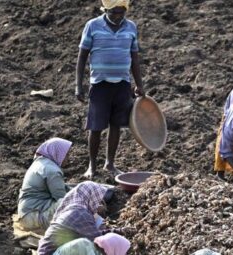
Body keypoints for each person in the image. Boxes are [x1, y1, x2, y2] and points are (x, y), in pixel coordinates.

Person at [75, 0, 145, 179]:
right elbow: (82, 57)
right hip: (100, 84)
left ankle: (110, 164)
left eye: (122, 12)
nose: (118, 16)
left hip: (122, 84)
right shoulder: (92, 26)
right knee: (96, 127)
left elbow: (134, 58)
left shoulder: (131, 27)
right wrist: (78, 86)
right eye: (114, 12)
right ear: (105, 10)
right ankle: (92, 165)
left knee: (116, 125)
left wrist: (139, 84)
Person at [38, 181, 132, 255]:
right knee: (85, 245)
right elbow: (97, 238)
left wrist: (119, 231)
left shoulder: (78, 209)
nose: (102, 206)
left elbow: (95, 233)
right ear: (91, 198)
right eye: (100, 201)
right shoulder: (80, 213)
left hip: (54, 251)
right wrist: (118, 234)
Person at [17, 137, 73, 233]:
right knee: (74, 204)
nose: (69, 158)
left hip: (27, 214)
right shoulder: (52, 170)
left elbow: (64, 188)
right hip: (33, 217)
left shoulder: (42, 162)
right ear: (57, 153)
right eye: (66, 155)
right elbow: (63, 199)